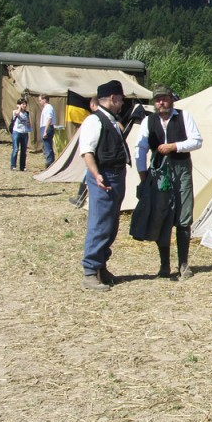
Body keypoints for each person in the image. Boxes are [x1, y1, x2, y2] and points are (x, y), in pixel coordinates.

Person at [137, 84, 203, 279]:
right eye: (157, 100)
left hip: (181, 169)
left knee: (183, 216)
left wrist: (174, 146)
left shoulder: (184, 116)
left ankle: (183, 264)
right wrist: (143, 174)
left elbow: (197, 141)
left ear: (171, 99)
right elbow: (140, 148)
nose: (161, 103)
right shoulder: (148, 121)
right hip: (158, 172)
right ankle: (164, 266)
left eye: (164, 99)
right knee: (161, 216)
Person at [78, 80, 130, 292]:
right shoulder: (94, 121)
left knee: (110, 224)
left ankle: (101, 266)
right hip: (105, 176)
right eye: (120, 99)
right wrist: (96, 174)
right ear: (112, 99)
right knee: (100, 223)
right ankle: (90, 272)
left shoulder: (111, 120)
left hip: (115, 175)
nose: (122, 103)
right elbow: (87, 151)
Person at [10, 97, 33, 171]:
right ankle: (13, 165)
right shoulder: (15, 112)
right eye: (22, 104)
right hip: (16, 132)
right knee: (16, 149)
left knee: (24, 150)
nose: (24, 106)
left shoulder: (27, 113)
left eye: (25, 104)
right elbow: (16, 114)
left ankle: (22, 166)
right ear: (18, 105)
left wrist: (29, 125)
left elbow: (28, 122)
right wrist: (19, 108)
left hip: (24, 132)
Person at [38, 94, 56, 166]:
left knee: (48, 147)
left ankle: (50, 164)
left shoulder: (48, 107)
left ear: (44, 99)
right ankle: (49, 162)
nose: (39, 102)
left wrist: (45, 131)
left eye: (40, 100)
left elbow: (49, 119)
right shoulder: (46, 108)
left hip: (46, 127)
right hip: (45, 127)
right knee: (47, 147)